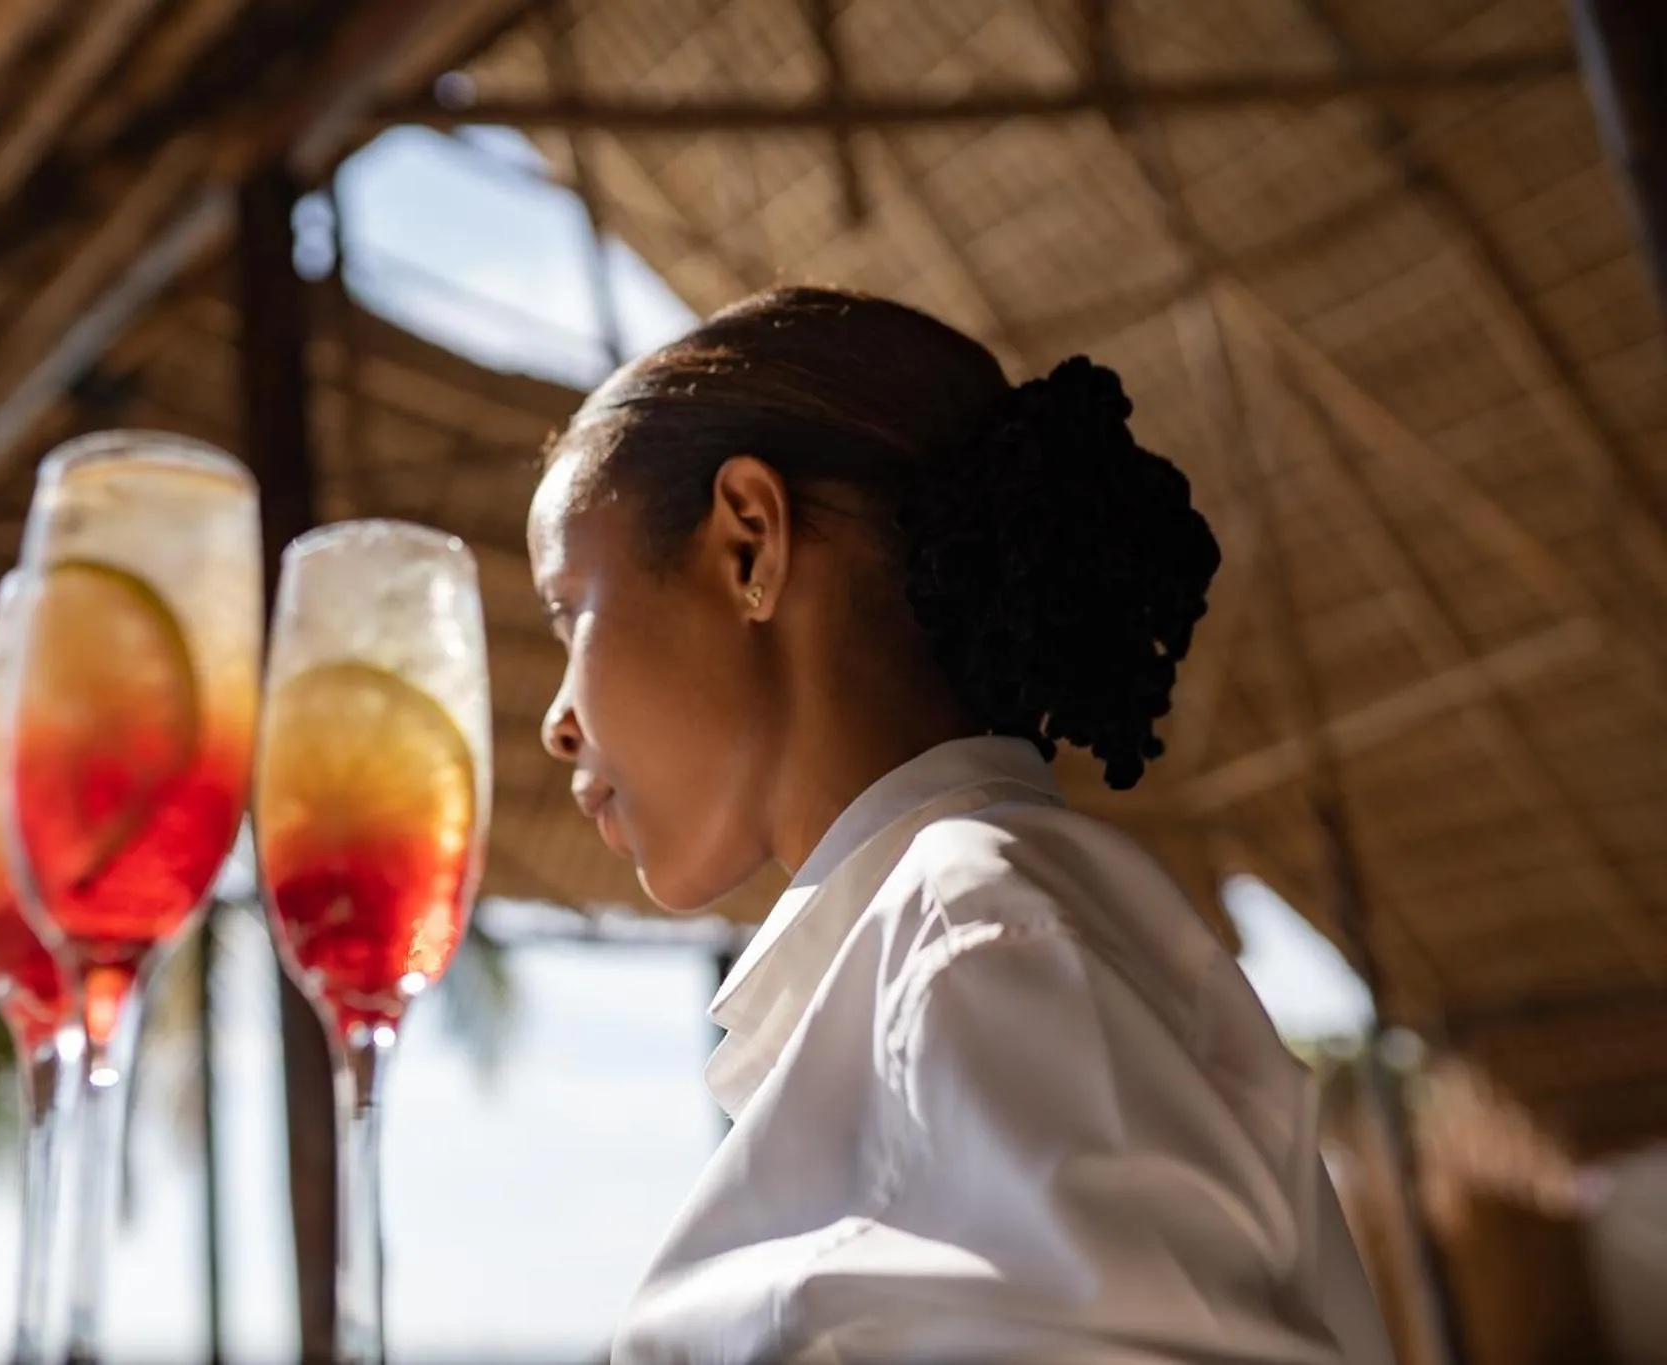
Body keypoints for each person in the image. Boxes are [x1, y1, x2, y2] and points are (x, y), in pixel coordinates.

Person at [527, 287, 1395, 1364]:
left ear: (748, 544)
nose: (557, 722)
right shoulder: (957, 942)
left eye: (571, 610)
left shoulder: (973, 930)